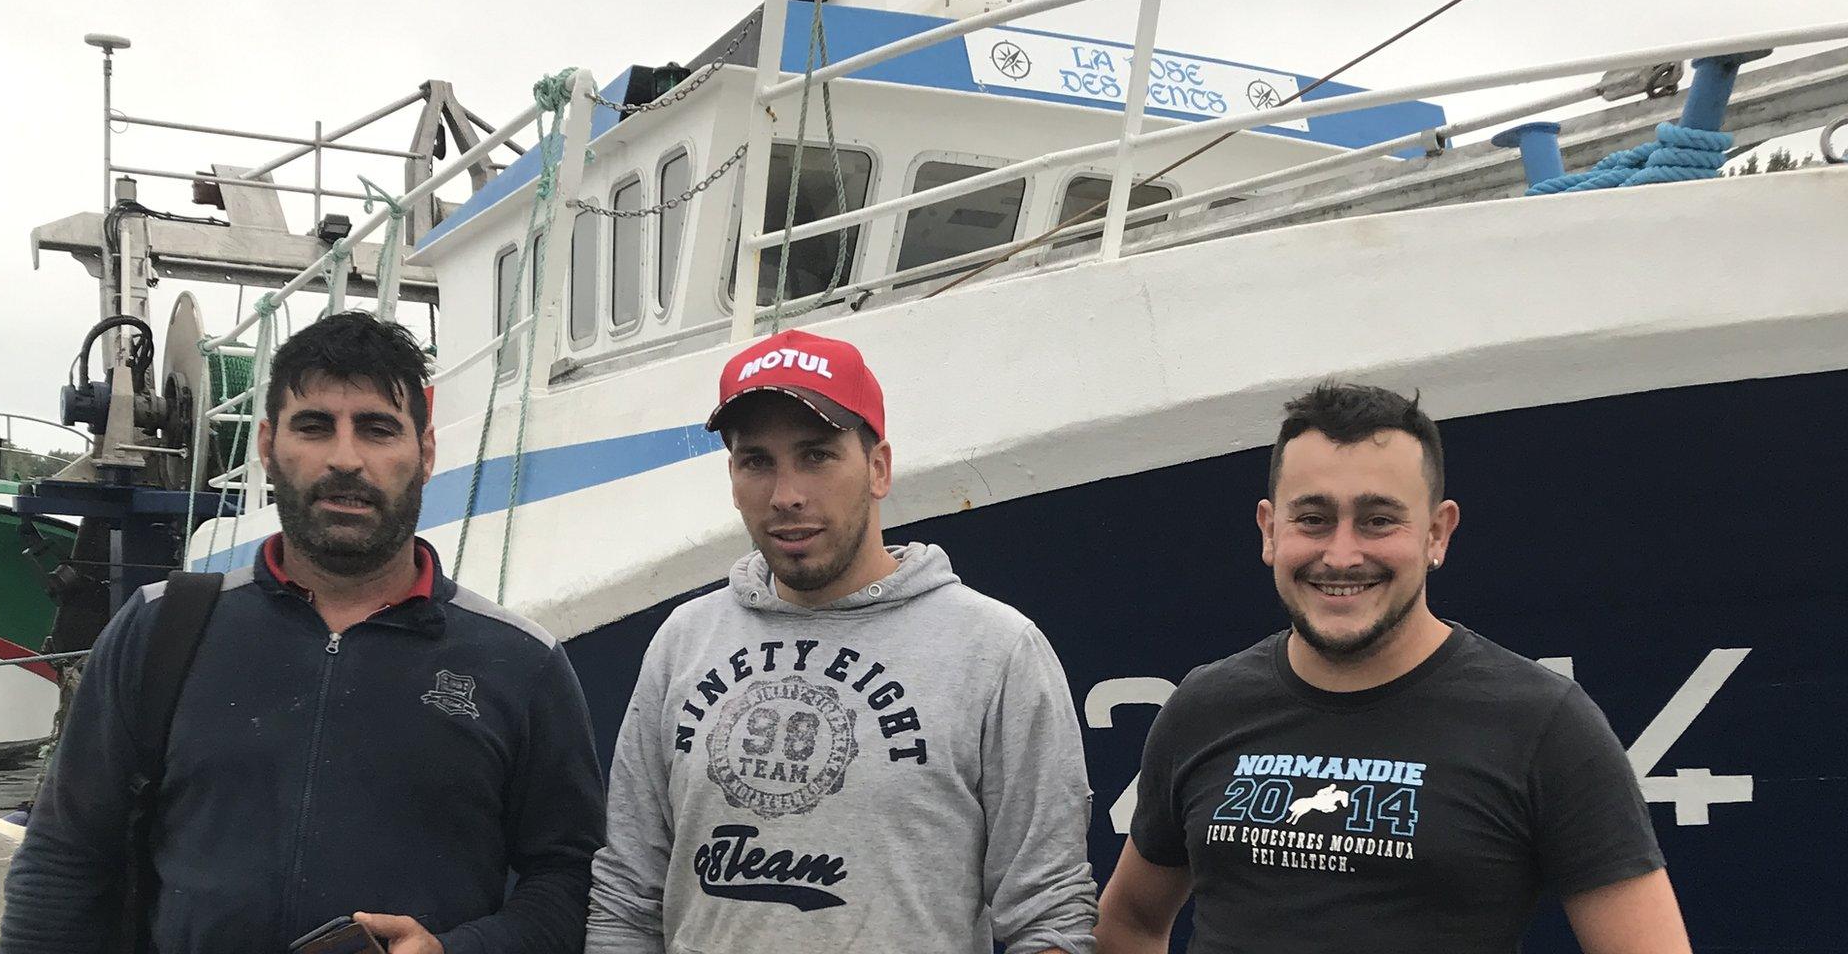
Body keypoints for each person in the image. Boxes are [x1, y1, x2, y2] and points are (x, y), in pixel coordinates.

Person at [0, 312, 604, 954]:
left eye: (378, 429)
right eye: (315, 427)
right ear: (267, 446)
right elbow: (65, 861)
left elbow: (570, 884)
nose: (346, 459)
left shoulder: (521, 663)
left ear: (424, 453)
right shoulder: (160, 630)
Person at [1094, 382, 1690, 954]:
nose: (1342, 554)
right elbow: (1132, 921)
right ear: (1270, 531)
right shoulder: (1203, 707)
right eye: (1313, 518)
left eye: (1379, 519)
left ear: (1438, 532)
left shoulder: (1543, 724)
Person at [586, 329, 1099, 954]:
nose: (786, 495)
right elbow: (628, 895)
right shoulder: (682, 643)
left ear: (878, 468)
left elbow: (1049, 916)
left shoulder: (997, 652)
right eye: (757, 462)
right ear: (732, 475)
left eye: (817, 455)